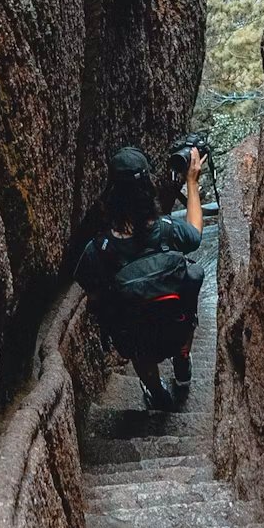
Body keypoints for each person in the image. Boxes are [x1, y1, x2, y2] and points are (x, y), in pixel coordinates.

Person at [76, 142, 205, 413]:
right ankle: (182, 362)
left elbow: (93, 295)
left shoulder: (99, 251)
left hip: (137, 340)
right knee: (187, 283)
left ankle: (157, 393)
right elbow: (195, 235)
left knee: (128, 326)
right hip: (176, 328)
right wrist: (191, 183)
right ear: (148, 188)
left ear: (111, 193)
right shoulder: (169, 231)